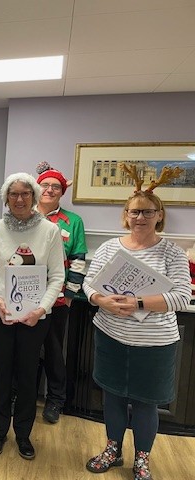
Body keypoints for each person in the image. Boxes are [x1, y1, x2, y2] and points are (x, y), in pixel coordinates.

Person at [83, 171, 190, 480]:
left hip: (154, 344)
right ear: (125, 216)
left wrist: (139, 303)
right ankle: (112, 450)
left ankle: (142, 459)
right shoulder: (108, 248)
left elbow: (181, 297)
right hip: (111, 336)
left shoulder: (172, 253)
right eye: (135, 211)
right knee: (112, 396)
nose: (140, 217)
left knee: (146, 404)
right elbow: (90, 285)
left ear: (159, 216)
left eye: (147, 211)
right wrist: (100, 300)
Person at [0, 172, 65, 461]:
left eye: (25, 194)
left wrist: (41, 309)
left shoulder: (50, 232)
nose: (19, 199)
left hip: (35, 316)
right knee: (2, 372)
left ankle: (24, 434)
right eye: (13, 194)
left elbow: (57, 276)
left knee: (28, 374)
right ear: (6, 198)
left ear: (34, 197)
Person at [34, 162, 87, 424]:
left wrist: (69, 294)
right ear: (37, 186)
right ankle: (22, 395)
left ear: (62, 192)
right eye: (45, 185)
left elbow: (78, 259)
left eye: (56, 187)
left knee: (54, 351)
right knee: (26, 351)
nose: (50, 190)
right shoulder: (25, 216)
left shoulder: (72, 221)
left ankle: (55, 400)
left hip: (56, 300)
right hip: (26, 299)